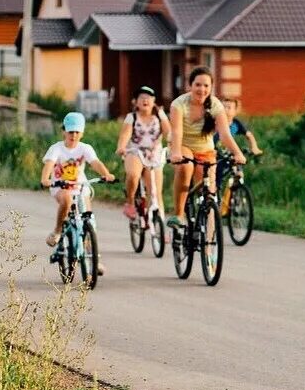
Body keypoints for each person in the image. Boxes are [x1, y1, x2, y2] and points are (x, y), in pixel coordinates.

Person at [167, 66, 245, 228]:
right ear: (190, 86)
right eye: (198, 85)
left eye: (206, 86)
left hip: (205, 148)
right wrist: (175, 153)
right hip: (182, 145)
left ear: (211, 88)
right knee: (186, 167)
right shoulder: (179, 104)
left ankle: (209, 245)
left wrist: (237, 153)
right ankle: (179, 214)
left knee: (210, 192)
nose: (202, 89)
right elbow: (176, 132)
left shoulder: (216, 106)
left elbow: (224, 134)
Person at [40, 112, 115, 273]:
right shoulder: (57, 149)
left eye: (77, 132)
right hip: (60, 186)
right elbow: (49, 164)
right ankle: (58, 231)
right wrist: (45, 179)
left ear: (82, 133)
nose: (73, 135)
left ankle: (93, 259)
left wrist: (106, 174)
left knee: (88, 219)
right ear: (64, 131)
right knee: (66, 200)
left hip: (80, 186)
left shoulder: (85, 148)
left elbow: (95, 163)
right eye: (70, 131)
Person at [115, 85, 171, 220]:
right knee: (133, 175)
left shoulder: (159, 115)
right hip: (135, 151)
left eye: (148, 98)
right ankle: (130, 202)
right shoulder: (132, 117)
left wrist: (172, 145)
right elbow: (125, 135)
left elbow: (169, 133)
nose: (145, 101)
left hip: (154, 154)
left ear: (154, 101)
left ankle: (159, 227)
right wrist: (121, 147)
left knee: (155, 193)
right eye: (141, 98)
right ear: (136, 101)